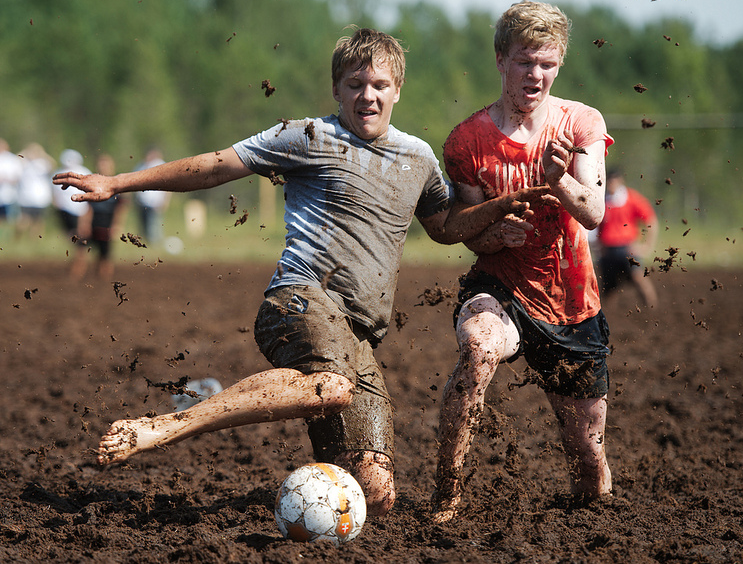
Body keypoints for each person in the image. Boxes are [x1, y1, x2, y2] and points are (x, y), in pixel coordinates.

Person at [53, 28, 541, 517]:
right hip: (300, 300)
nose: (366, 96)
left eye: (378, 85)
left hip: (359, 337)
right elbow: (216, 167)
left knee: (375, 494)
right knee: (332, 386)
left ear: (397, 90)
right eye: (354, 84)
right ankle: (163, 427)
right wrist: (118, 182)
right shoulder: (308, 136)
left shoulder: (418, 158)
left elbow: (445, 227)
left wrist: (501, 212)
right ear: (336, 89)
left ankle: (300, 504)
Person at [431, 1, 614, 523]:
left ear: (559, 66)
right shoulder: (466, 142)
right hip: (502, 288)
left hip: (572, 302)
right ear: (501, 61)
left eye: (547, 63)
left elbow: (595, 212)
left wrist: (559, 181)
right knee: (478, 347)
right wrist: (493, 235)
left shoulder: (581, 122)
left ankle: (593, 488)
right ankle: (447, 497)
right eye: (525, 61)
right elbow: (463, 228)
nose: (536, 74)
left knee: (589, 466)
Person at [595, 167, 658, 308]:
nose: (611, 183)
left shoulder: (631, 198)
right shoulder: (601, 201)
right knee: (608, 288)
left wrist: (647, 246)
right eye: (608, 181)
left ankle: (653, 311)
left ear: (620, 181)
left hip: (626, 249)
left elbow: (651, 220)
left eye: (613, 180)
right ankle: (609, 320)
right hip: (607, 250)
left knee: (639, 279)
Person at [71, 154, 128, 281]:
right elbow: (87, 207)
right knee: (81, 251)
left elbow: (121, 208)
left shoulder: (118, 184)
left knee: (105, 255)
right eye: (101, 165)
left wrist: (116, 225)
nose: (103, 168)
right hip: (92, 221)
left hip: (106, 222)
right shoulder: (92, 185)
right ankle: (74, 279)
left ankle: (104, 282)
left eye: (106, 165)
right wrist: (84, 223)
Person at [16, 142, 56, 239]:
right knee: (24, 220)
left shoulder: (43, 163)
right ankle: (18, 239)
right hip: (26, 198)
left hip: (41, 198)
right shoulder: (24, 163)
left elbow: (53, 164)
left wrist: (42, 154)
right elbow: (16, 158)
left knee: (38, 221)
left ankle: (34, 240)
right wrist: (26, 152)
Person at [51, 149, 91, 243]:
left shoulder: (85, 172)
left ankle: (80, 253)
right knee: (71, 233)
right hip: (64, 209)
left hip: (82, 209)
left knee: (82, 232)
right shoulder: (58, 173)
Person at [133, 147, 169, 246]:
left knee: (154, 224)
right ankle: (144, 242)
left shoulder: (161, 165)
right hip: (142, 202)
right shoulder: (141, 166)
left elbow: (168, 185)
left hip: (155, 203)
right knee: (143, 224)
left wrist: (165, 201)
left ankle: (154, 243)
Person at [0, 138, 23, 238]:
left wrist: (6, 179)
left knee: (13, 219)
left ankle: (12, 238)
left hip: (10, 194)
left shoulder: (12, 159)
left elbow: (18, 177)